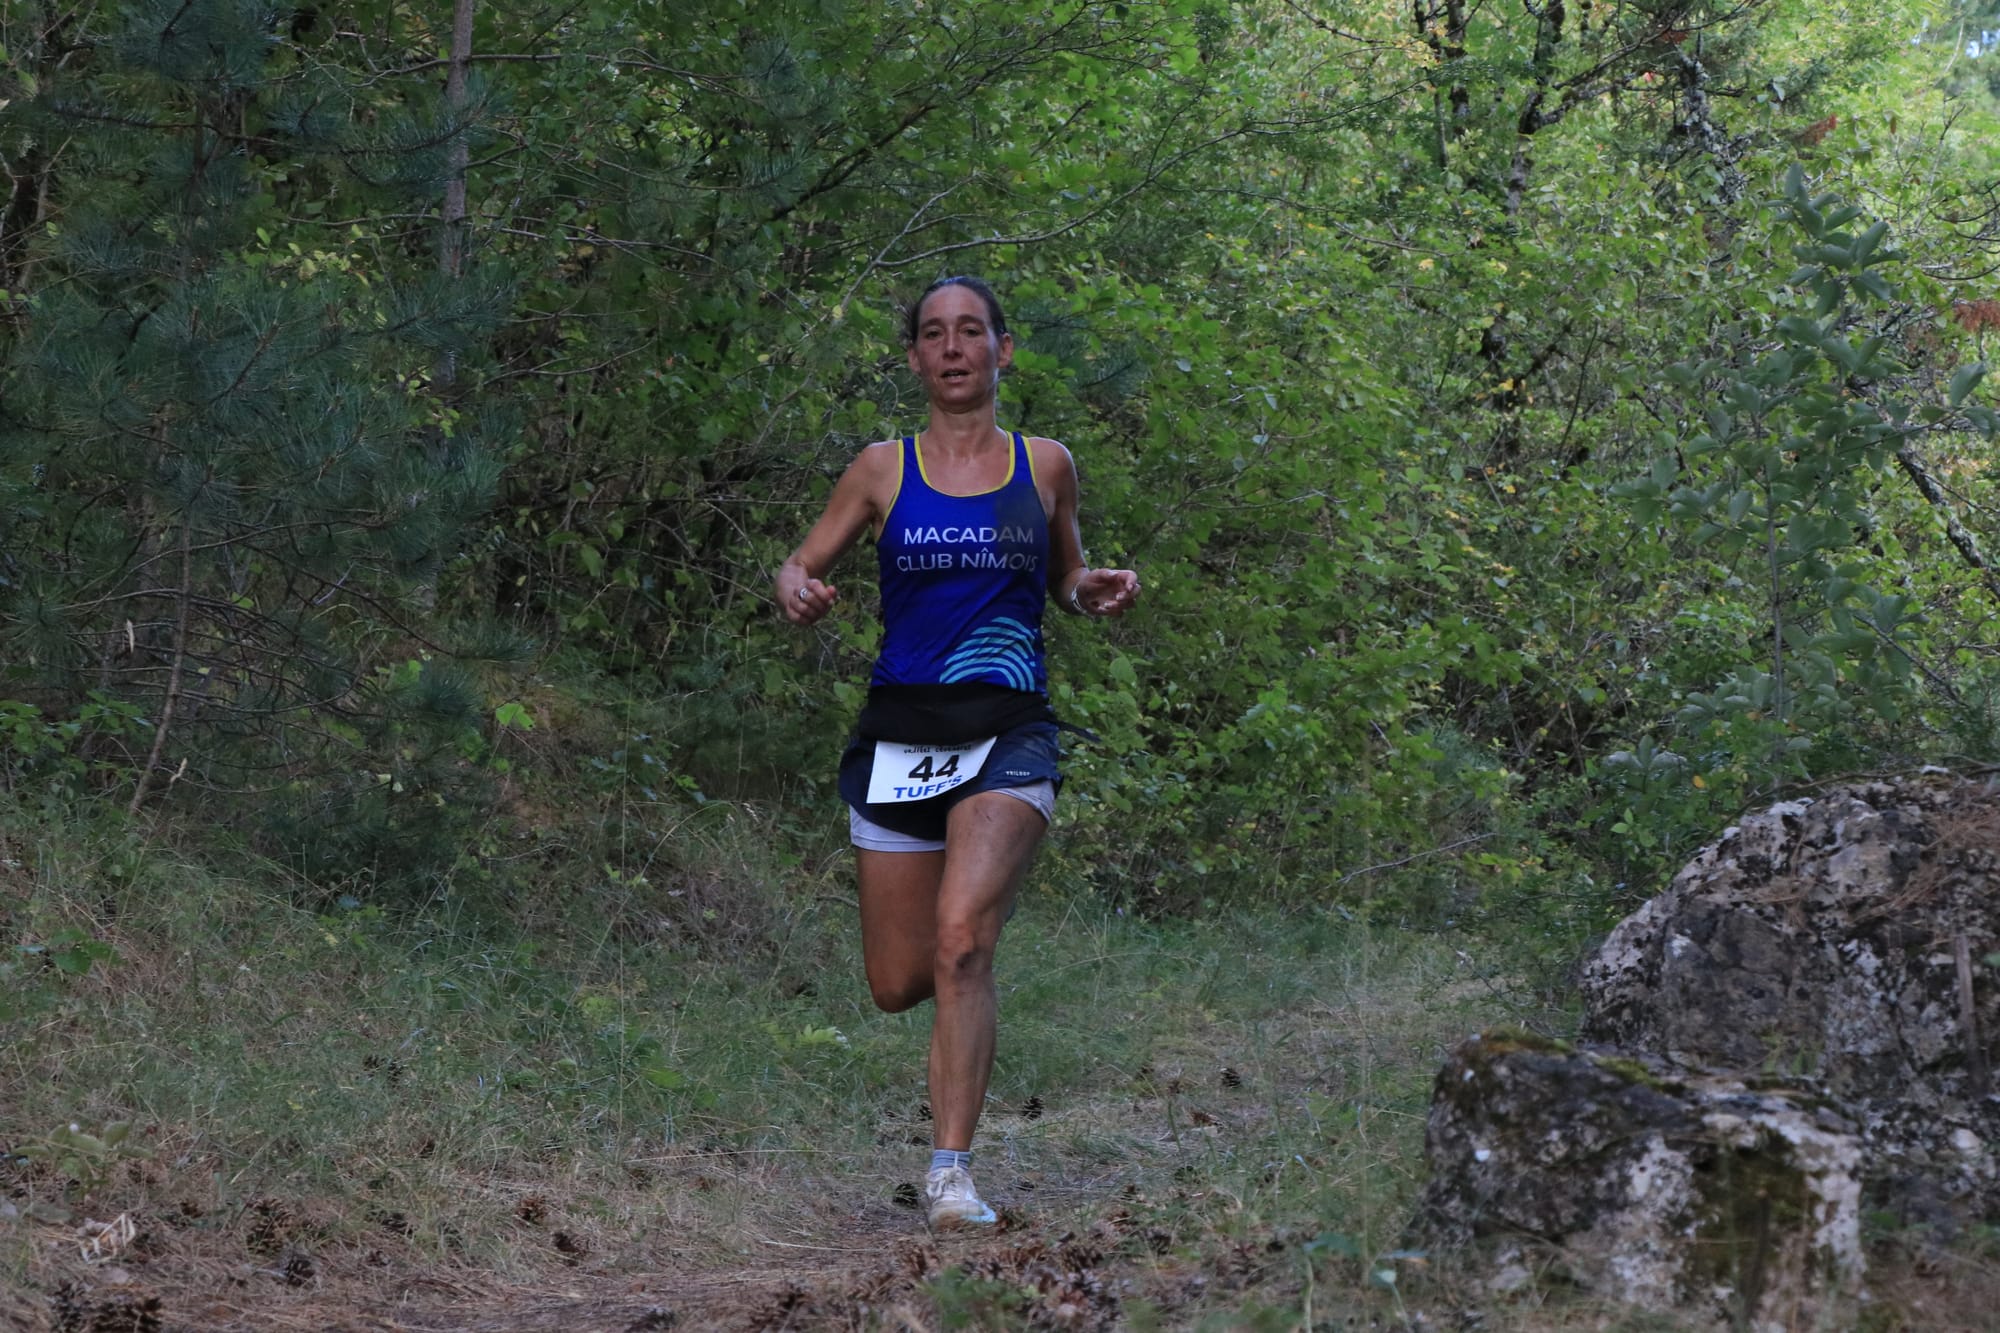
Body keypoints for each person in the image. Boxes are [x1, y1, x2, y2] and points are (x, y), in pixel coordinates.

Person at [775, 276, 1139, 1230]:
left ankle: (950, 1173)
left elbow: (1064, 574)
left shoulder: (1046, 464)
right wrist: (797, 588)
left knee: (963, 939)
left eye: (969, 331)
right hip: (901, 735)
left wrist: (1086, 587)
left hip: (1010, 731)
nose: (952, 348)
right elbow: (801, 563)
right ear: (914, 359)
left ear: (1001, 352)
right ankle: (950, 1039)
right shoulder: (880, 469)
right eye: (933, 334)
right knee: (900, 980)